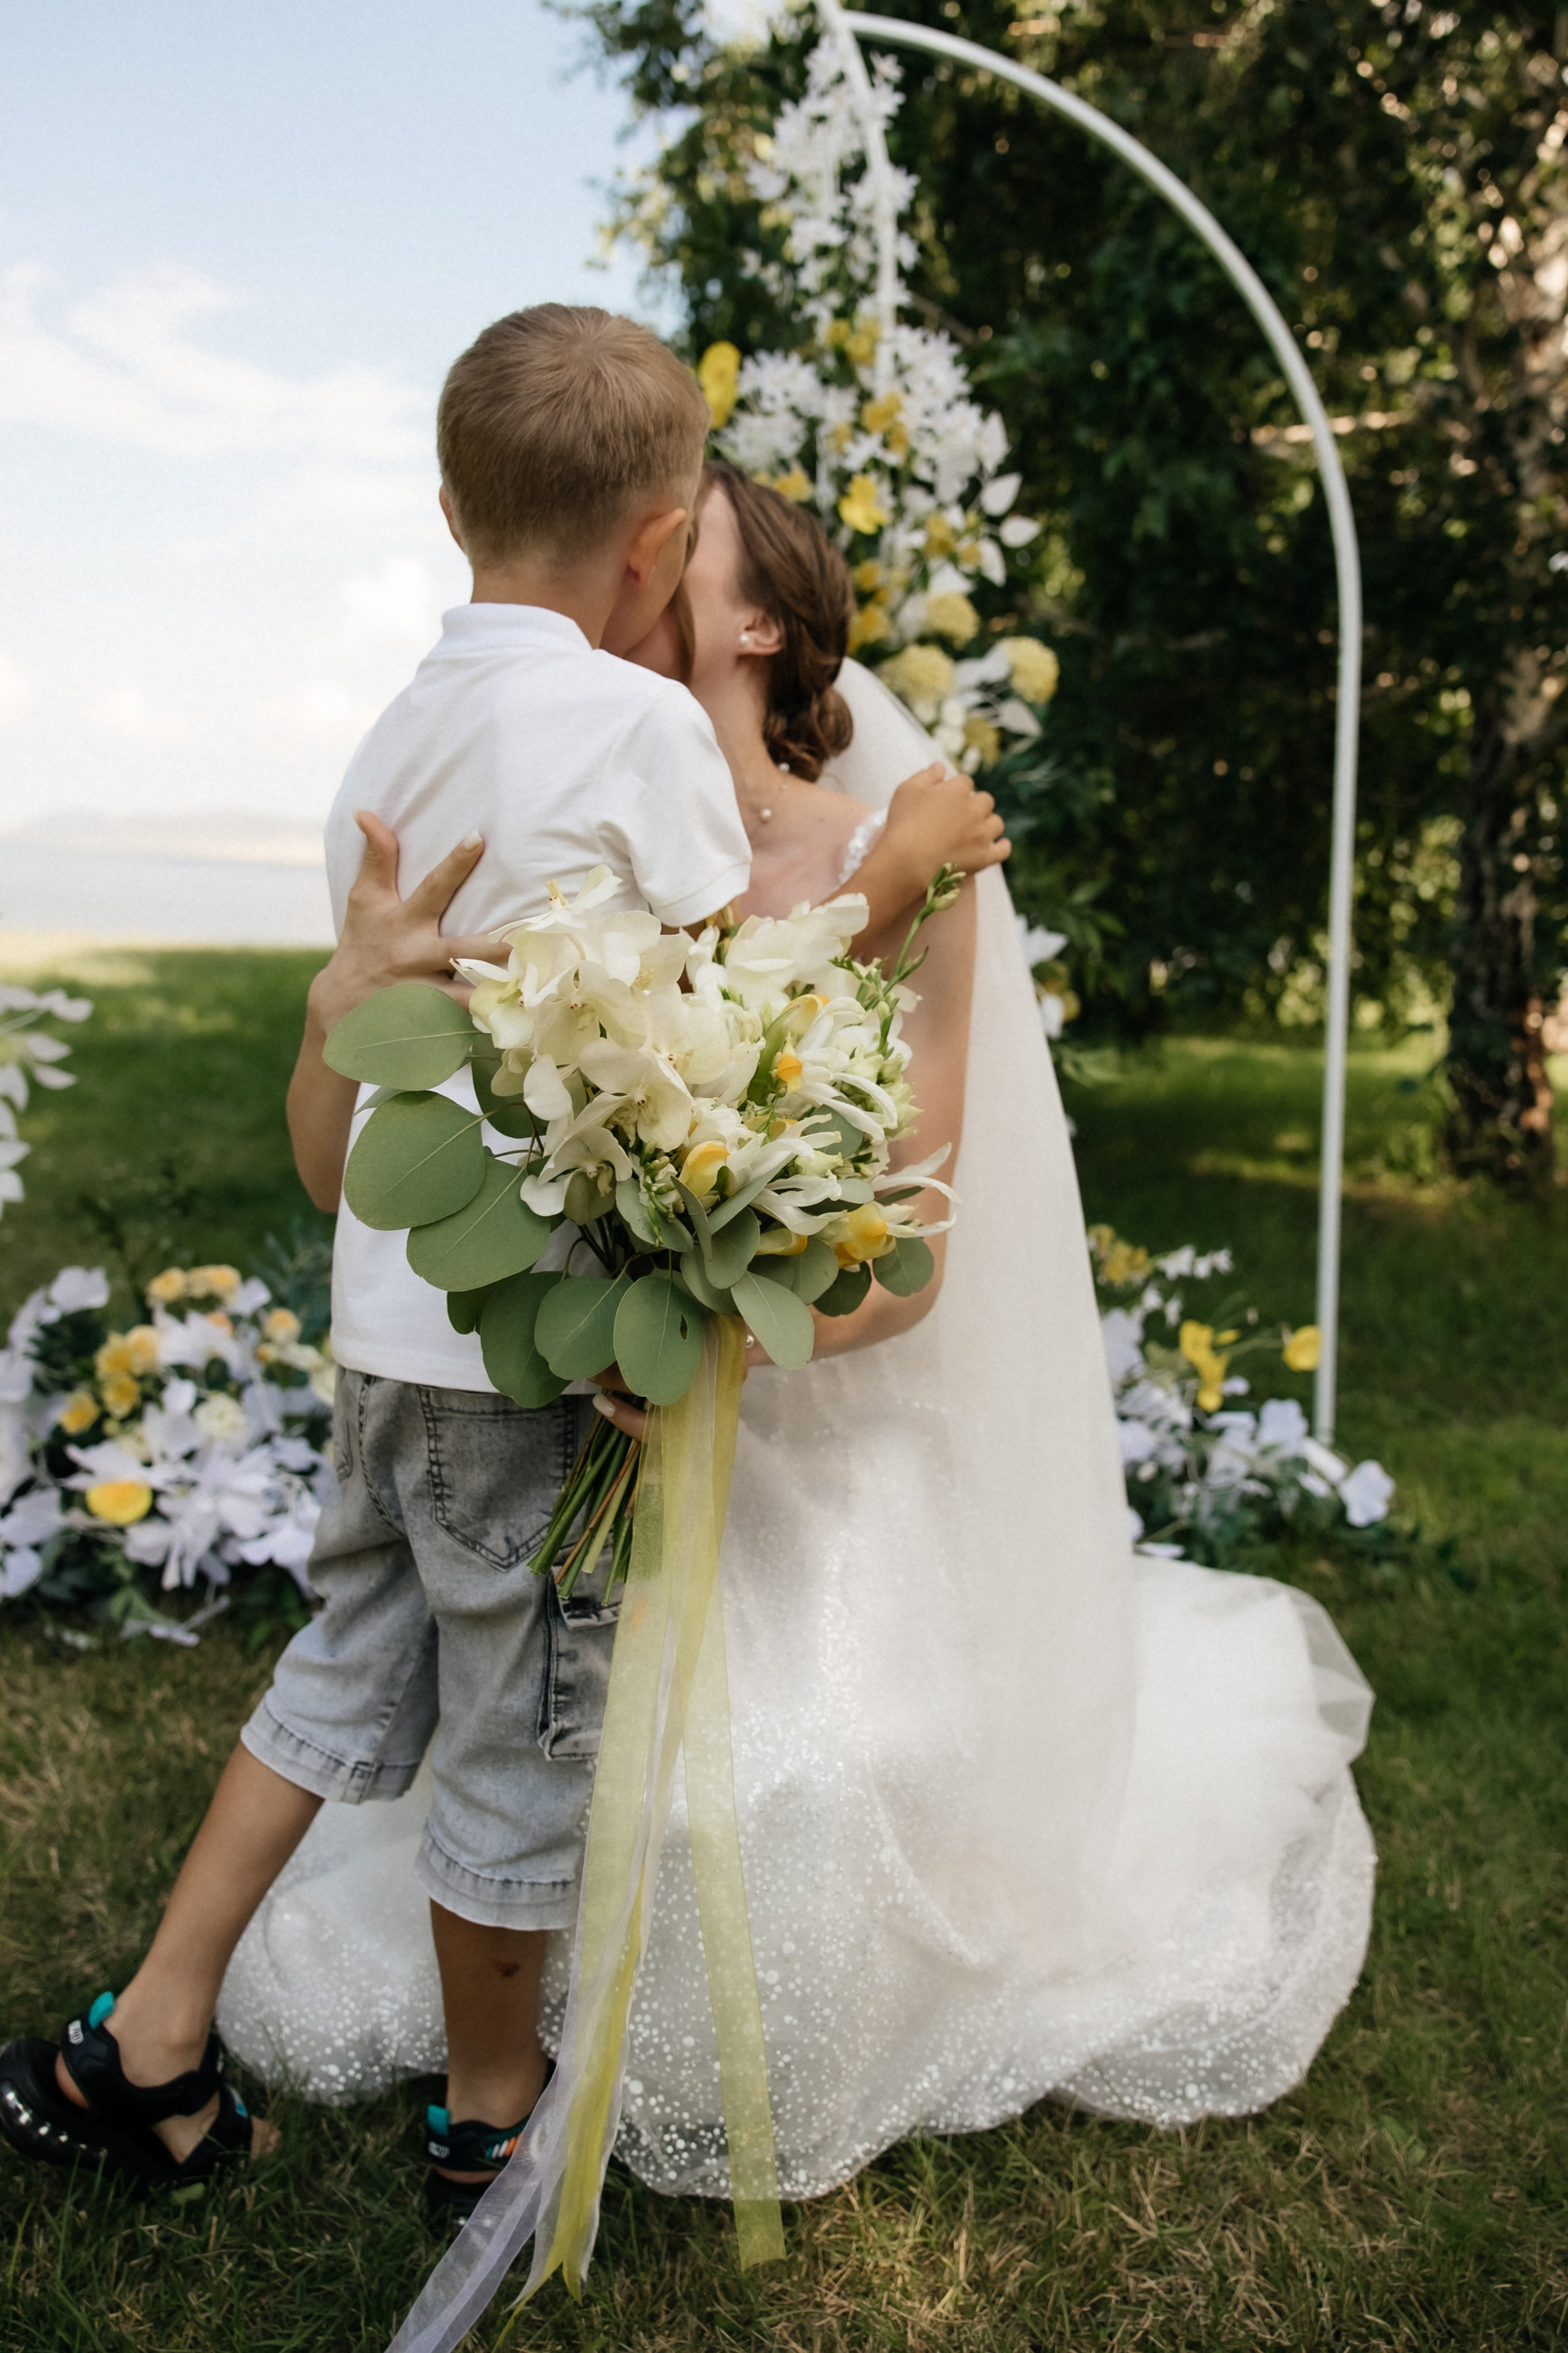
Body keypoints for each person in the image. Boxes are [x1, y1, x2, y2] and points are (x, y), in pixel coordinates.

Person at [214, 468, 1376, 2304]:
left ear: (757, 623)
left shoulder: (888, 860)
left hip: (812, 1448)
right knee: (527, 1771)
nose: (646, 554)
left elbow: (907, 1249)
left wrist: (708, 1360)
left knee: (788, 1801)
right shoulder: (601, 837)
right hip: (574, 1434)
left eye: (688, 546)